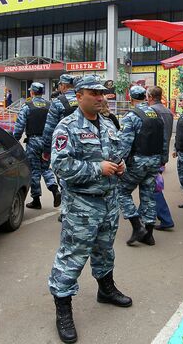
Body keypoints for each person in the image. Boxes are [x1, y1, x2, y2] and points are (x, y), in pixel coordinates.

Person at [48, 75, 132, 344]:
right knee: (72, 255)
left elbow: (116, 152)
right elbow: (60, 167)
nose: (100, 97)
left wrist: (120, 166)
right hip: (82, 206)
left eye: (102, 93)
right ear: (78, 95)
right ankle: (63, 308)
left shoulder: (107, 124)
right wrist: (98, 168)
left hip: (108, 202)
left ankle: (105, 289)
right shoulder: (67, 127)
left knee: (105, 249)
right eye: (94, 93)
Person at [117, 85, 165, 246]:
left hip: (137, 162)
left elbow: (124, 144)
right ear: (145, 97)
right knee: (148, 195)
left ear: (131, 98)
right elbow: (163, 140)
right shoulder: (156, 114)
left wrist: (118, 162)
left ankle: (137, 226)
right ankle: (149, 235)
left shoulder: (131, 116)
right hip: (154, 161)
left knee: (121, 192)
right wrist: (162, 160)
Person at [13, 82, 61, 210]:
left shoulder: (27, 106)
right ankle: (55, 189)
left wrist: (14, 140)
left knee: (34, 170)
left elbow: (19, 127)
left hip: (33, 142)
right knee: (46, 168)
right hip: (47, 142)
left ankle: (36, 200)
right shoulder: (50, 105)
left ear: (32, 92)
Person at [148, 86, 175, 231]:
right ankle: (144, 213)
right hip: (162, 154)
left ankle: (165, 218)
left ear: (151, 97)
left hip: (153, 154)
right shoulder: (167, 111)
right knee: (152, 185)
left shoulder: (152, 112)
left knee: (153, 187)